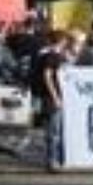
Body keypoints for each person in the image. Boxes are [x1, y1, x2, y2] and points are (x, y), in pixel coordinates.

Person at [29, 29, 69, 172]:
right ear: (61, 41)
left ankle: (53, 160)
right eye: (65, 40)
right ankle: (52, 162)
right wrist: (56, 97)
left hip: (48, 98)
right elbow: (47, 76)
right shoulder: (52, 56)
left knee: (52, 132)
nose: (66, 43)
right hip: (51, 98)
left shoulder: (47, 55)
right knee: (54, 132)